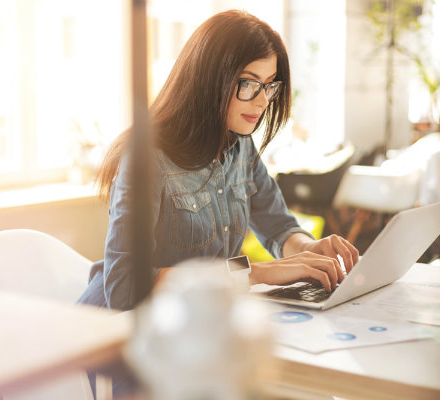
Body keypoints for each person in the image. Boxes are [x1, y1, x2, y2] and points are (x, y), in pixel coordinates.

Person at [78, 10, 359, 312]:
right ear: (209, 80)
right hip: (116, 334)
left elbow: (277, 225)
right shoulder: (148, 159)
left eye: (270, 85)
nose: (263, 100)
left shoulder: (240, 146)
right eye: (249, 83)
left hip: (197, 325)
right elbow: (125, 287)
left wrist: (308, 250)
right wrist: (255, 272)